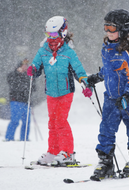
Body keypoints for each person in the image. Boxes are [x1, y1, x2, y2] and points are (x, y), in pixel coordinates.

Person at [87, 9, 129, 181]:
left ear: (123, 29)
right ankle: (105, 163)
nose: (107, 31)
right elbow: (109, 70)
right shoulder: (107, 49)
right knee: (106, 129)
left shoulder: (128, 52)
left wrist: (127, 96)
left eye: (111, 28)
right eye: (106, 27)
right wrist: (97, 77)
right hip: (112, 97)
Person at [27, 16, 92, 166]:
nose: (51, 38)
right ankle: (53, 151)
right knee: (52, 123)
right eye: (48, 34)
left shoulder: (69, 52)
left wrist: (86, 83)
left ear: (63, 32)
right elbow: (36, 67)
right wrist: (33, 69)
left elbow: (79, 71)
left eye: (54, 34)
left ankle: (67, 153)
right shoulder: (43, 51)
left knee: (61, 121)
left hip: (65, 91)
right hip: (51, 92)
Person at [5, 58, 35, 141]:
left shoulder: (28, 76)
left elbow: (33, 87)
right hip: (16, 101)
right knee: (15, 121)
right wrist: (17, 72)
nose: (25, 67)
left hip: (26, 102)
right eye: (24, 65)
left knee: (27, 122)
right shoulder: (14, 75)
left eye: (26, 65)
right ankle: (9, 138)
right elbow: (10, 80)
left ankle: (24, 138)